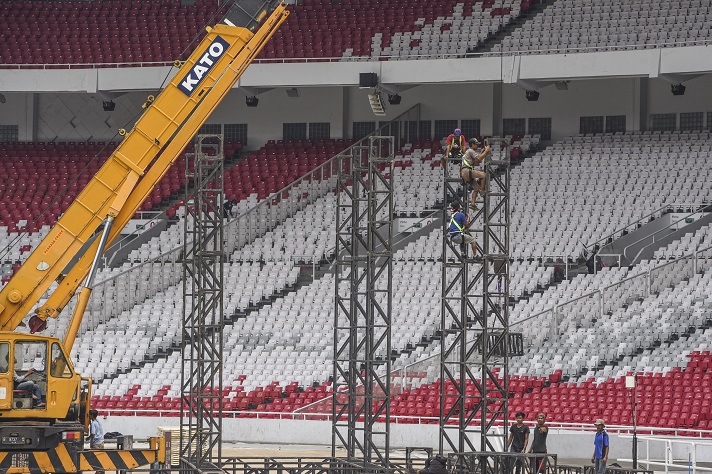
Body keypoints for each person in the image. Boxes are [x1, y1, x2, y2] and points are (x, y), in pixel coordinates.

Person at [460, 138, 490, 208]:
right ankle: (482, 191)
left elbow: (476, 160)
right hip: (467, 171)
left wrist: (483, 152)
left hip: (464, 173)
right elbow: (479, 159)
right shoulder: (470, 150)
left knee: (476, 188)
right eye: (476, 144)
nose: (477, 146)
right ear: (472, 144)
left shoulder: (468, 152)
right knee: (483, 175)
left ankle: (472, 204)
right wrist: (486, 152)